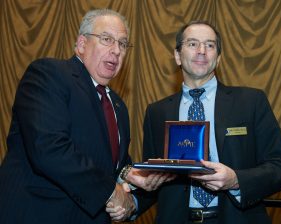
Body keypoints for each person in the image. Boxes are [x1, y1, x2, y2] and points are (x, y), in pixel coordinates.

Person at [0, 9, 171, 224]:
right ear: (82, 44)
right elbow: (49, 147)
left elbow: (110, 165)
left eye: (123, 44)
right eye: (107, 39)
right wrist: (111, 191)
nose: (117, 50)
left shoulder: (118, 105)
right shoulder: (49, 74)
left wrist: (129, 175)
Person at [140, 20, 281, 224]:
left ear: (218, 58)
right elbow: (154, 179)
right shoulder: (157, 112)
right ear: (177, 56)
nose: (202, 51)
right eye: (193, 44)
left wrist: (235, 180)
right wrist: (130, 203)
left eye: (210, 45)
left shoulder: (250, 102)